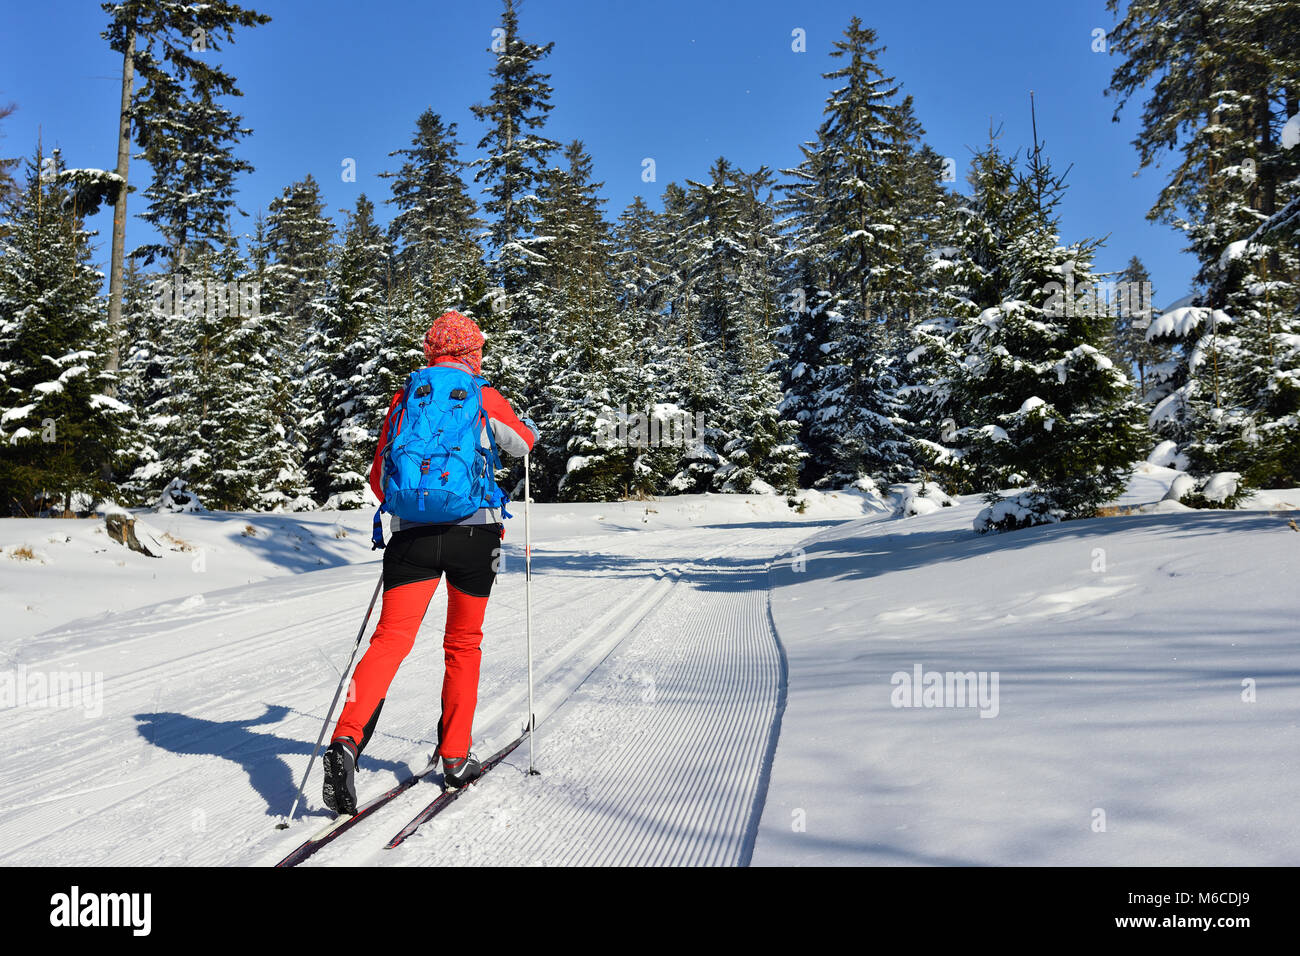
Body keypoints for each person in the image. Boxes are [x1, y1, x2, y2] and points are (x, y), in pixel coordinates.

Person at [322, 310, 537, 814]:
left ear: (430, 350)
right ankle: (456, 757)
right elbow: (524, 444)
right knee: (463, 644)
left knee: (390, 641)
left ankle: (347, 740)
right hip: (474, 537)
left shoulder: (406, 398)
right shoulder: (481, 394)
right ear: (472, 353)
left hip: (410, 541)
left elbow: (380, 477)